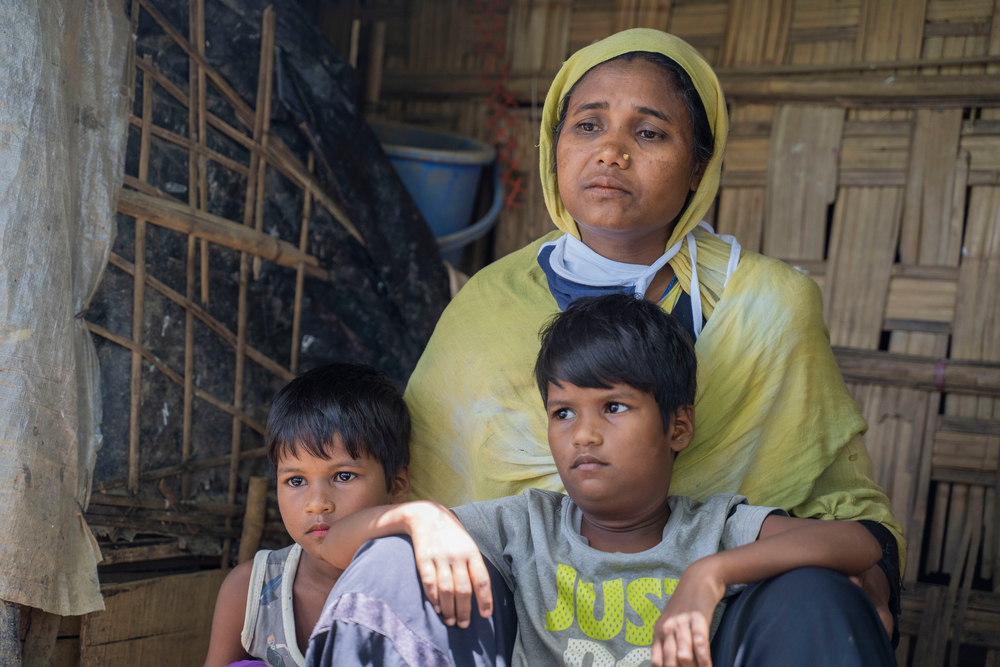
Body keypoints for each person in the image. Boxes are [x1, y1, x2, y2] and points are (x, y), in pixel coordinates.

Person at [402, 28, 903, 638]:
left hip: (726, 611)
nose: (611, 152)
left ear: (698, 165)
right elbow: (424, 484)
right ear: (553, 146)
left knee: (819, 593)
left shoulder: (770, 306)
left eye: (648, 132)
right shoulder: (487, 306)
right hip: (523, 612)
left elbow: (841, 505)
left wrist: (862, 581)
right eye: (587, 126)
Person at [305, 294, 896, 667]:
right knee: (388, 560)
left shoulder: (714, 529)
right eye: (564, 413)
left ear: (678, 427)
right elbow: (332, 543)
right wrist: (417, 516)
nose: (583, 435)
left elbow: (860, 540)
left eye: (613, 408)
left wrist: (709, 574)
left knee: (820, 593)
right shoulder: (524, 525)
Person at [203, 364, 411, 667]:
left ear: (396, 485)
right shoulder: (250, 589)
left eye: (343, 476)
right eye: (296, 481)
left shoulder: (415, 586)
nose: (317, 504)